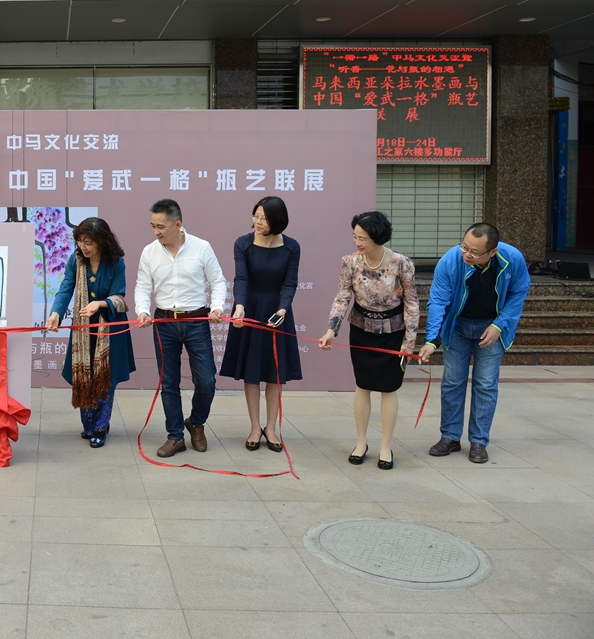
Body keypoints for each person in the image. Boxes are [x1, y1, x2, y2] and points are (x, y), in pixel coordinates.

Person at [420, 223, 530, 464]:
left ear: (492, 251)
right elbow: (438, 300)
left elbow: (518, 293)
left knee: (486, 383)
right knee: (452, 381)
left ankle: (479, 441)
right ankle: (450, 436)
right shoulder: (451, 260)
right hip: (457, 326)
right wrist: (431, 339)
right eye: (464, 247)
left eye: (475, 252)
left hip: (491, 326)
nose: (467, 254)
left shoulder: (512, 259)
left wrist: (500, 325)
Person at [318, 211, 418, 471]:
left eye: (362, 238)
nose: (357, 242)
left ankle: (386, 445)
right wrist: (331, 330)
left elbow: (411, 303)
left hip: (393, 333)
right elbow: (342, 297)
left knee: (388, 388)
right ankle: (361, 442)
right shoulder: (350, 262)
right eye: (355, 236)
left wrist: (409, 342)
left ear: (378, 237)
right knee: (362, 385)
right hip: (361, 329)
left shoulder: (401, 263)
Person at [135, 199, 227, 457]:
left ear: (178, 224)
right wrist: (142, 311)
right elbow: (143, 286)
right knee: (169, 383)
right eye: (153, 226)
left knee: (206, 380)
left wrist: (217, 307)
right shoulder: (149, 252)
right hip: (164, 322)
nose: (156, 231)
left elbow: (218, 281)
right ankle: (175, 436)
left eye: (161, 226)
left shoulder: (201, 247)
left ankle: (196, 422)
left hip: (197, 322)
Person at [219, 196, 301, 452]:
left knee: (274, 374)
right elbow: (241, 278)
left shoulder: (291, 247)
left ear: (278, 220)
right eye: (256, 215)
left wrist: (283, 308)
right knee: (252, 371)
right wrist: (239, 306)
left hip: (277, 312)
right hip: (249, 309)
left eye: (264, 218)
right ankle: (255, 427)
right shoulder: (243, 244)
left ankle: (271, 428)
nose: (258, 221)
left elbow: (290, 283)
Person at [44, 218, 135, 448]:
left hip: (110, 326)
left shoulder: (116, 262)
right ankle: (90, 424)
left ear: (102, 242)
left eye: (89, 243)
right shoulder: (76, 260)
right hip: (84, 327)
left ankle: (101, 426)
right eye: (80, 241)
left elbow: (119, 297)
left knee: (105, 377)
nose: (83, 247)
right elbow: (66, 287)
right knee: (85, 375)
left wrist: (100, 303)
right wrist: (55, 313)